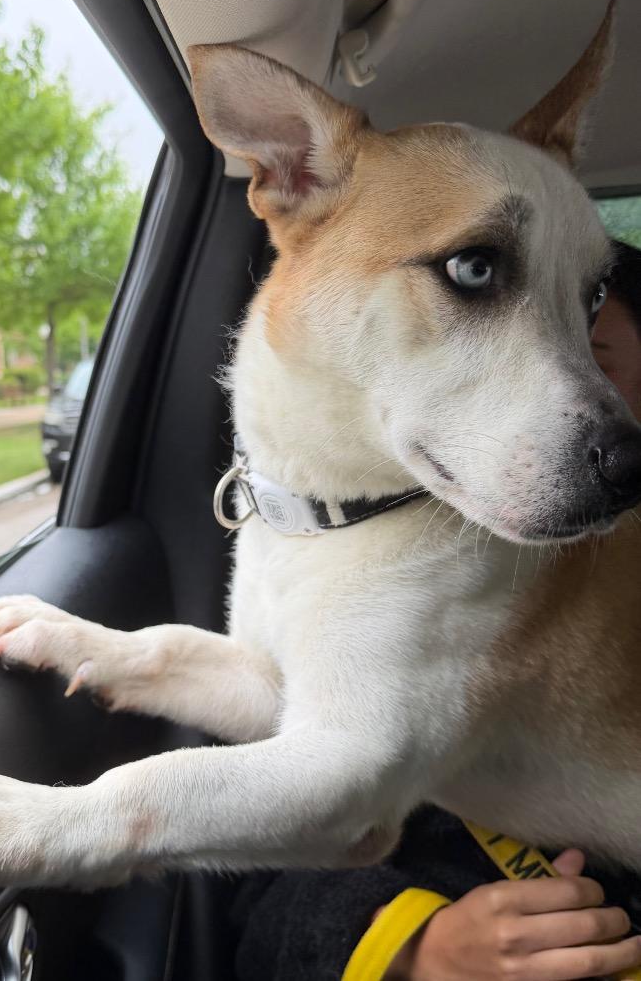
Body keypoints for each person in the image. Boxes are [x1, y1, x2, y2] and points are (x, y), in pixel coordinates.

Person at [232, 239, 641, 981]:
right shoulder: (380, 572)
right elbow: (263, 904)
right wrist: (418, 947)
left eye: (594, 355)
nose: (550, 390)